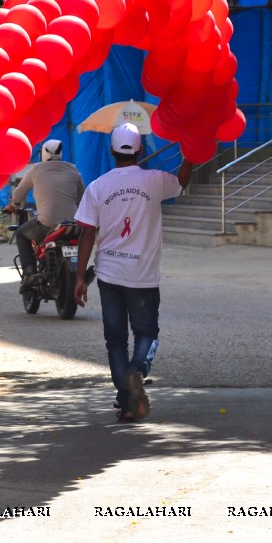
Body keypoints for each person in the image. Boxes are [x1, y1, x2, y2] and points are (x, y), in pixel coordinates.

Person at [73, 123, 194, 423]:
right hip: (143, 274)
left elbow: (86, 233)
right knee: (147, 332)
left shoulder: (98, 186)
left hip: (109, 273)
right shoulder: (155, 181)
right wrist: (190, 154)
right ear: (140, 150)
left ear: (112, 150)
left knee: (114, 338)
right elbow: (181, 181)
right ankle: (137, 371)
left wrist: (78, 277)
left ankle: (127, 400)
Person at [4, 139, 85, 289]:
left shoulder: (36, 170)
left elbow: (19, 191)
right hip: (73, 225)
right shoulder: (73, 169)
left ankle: (29, 273)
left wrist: (12, 205)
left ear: (43, 153)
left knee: (21, 234)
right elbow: (82, 197)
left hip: (47, 223)